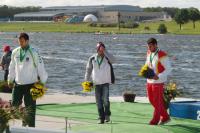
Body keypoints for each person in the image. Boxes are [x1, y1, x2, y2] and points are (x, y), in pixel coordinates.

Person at [8, 33, 48, 127]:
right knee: (14, 106)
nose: (20, 43)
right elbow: (11, 67)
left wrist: (42, 82)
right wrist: (10, 79)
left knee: (31, 108)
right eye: (19, 41)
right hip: (18, 84)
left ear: (27, 41)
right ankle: (24, 119)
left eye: (22, 41)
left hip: (31, 85)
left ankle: (31, 128)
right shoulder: (15, 51)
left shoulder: (34, 52)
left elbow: (41, 67)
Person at [84, 42, 115, 124]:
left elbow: (114, 60)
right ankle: (101, 117)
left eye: (102, 49)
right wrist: (86, 80)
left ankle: (107, 115)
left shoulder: (107, 57)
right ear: (97, 49)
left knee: (105, 100)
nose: (101, 51)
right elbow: (88, 70)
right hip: (96, 83)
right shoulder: (92, 58)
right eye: (99, 49)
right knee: (98, 101)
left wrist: (106, 52)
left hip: (105, 82)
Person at [145, 38, 171, 125]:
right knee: (151, 100)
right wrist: (144, 71)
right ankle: (166, 117)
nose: (149, 48)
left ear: (155, 45)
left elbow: (168, 69)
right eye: (148, 46)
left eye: (151, 46)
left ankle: (155, 120)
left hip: (158, 81)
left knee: (157, 101)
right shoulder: (149, 52)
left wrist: (159, 76)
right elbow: (147, 64)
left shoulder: (162, 54)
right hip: (149, 80)